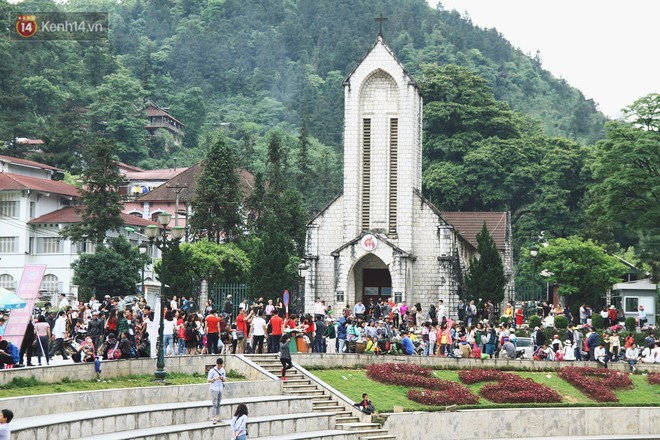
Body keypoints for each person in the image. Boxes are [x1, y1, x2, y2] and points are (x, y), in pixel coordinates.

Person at [207, 357, 226, 424]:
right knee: (214, 403)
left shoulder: (223, 370)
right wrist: (215, 378)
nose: (219, 367)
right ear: (216, 364)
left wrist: (222, 378)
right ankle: (214, 418)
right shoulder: (212, 371)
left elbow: (225, 380)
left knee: (219, 403)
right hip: (214, 388)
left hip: (220, 388)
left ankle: (218, 417)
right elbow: (208, 380)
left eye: (221, 365)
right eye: (218, 365)